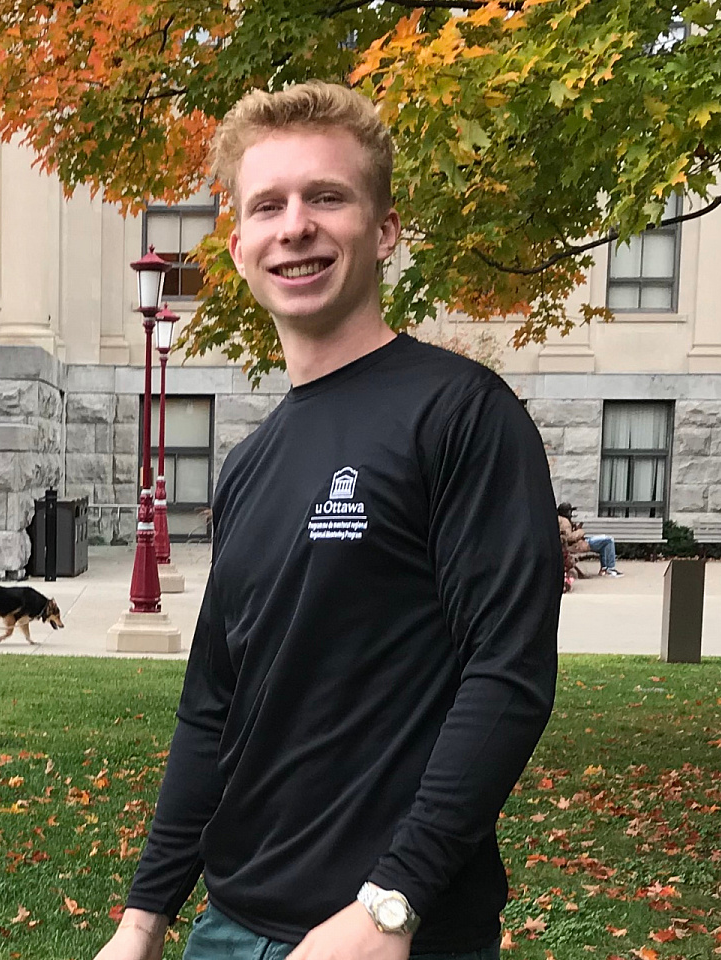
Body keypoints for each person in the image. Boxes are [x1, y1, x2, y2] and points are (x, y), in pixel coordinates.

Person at [95, 83, 560, 960]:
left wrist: (395, 903)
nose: (295, 225)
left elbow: (509, 673)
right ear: (237, 247)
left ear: (384, 232)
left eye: (328, 197)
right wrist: (143, 917)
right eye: (268, 205)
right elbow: (212, 709)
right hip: (229, 929)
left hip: (393, 936)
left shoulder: (462, 416)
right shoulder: (250, 465)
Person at [557, 502, 622, 577]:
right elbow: (569, 538)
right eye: (570, 511)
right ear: (567, 512)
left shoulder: (561, 520)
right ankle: (610, 569)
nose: (571, 513)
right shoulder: (565, 521)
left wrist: (576, 528)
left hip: (579, 543)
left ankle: (605, 569)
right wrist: (580, 531)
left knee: (606, 541)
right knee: (608, 540)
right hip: (578, 545)